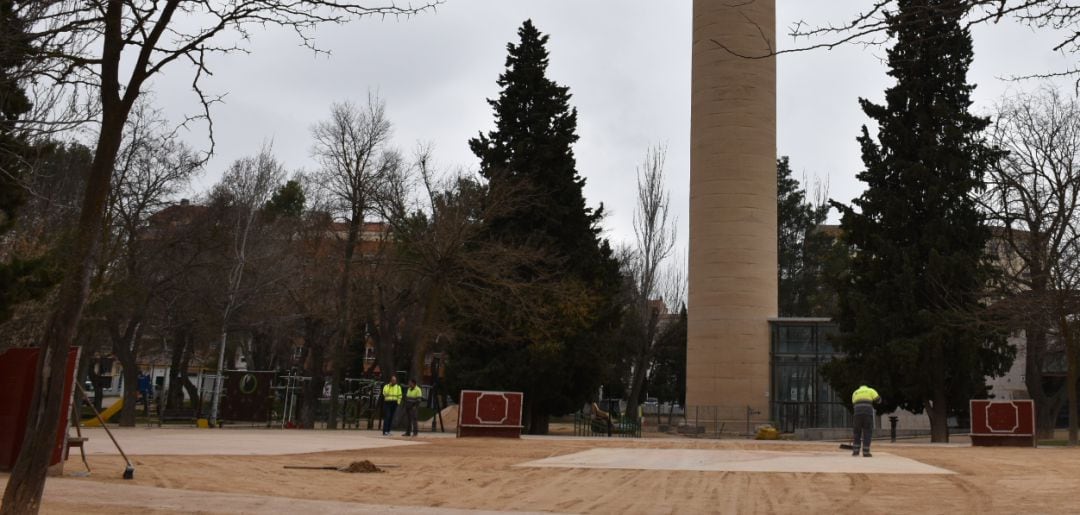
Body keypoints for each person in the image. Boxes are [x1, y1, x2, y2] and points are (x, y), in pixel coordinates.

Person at [851, 384, 881, 457]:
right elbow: (878, 400)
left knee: (857, 432)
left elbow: (853, 403)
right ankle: (866, 452)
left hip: (857, 414)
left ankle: (855, 451)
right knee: (867, 432)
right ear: (866, 386)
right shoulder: (871, 390)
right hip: (867, 414)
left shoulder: (855, 392)